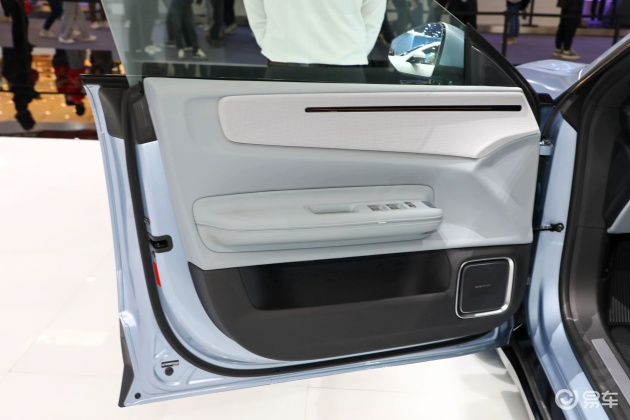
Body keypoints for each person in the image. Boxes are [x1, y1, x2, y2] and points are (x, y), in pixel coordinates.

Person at [1, 0, 37, 130]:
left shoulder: (22, 104)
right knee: (19, 28)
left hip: (18, 62)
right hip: (15, 64)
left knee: (20, 27)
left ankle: (11, 5)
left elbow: (21, 87)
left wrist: (31, 91)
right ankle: (10, 6)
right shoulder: (21, 105)